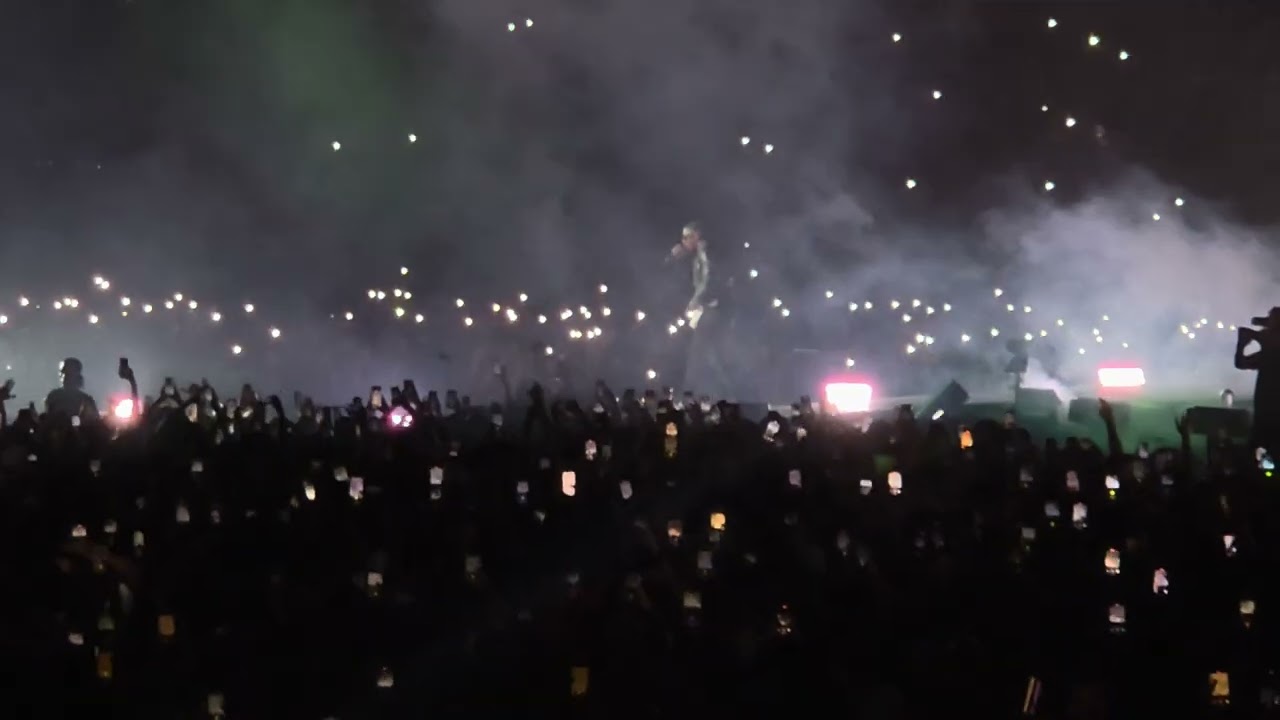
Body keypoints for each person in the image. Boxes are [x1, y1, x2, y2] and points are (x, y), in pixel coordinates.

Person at [669, 222, 732, 396]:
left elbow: (709, 277)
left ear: (697, 236)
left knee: (698, 354)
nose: (684, 241)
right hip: (707, 308)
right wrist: (677, 259)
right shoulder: (697, 255)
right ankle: (726, 391)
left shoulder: (705, 253)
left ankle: (689, 393)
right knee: (709, 354)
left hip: (711, 308)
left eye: (687, 237)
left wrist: (697, 299)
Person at [1235, 307, 1280, 452]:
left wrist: (1243, 343)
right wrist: (1242, 343)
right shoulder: (1267, 353)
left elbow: (1240, 363)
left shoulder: (1269, 353)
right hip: (1263, 417)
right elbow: (1240, 363)